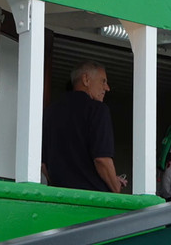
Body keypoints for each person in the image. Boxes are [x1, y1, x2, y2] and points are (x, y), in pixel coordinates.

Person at [42, 61, 126, 193]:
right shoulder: (98, 109)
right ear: (86, 80)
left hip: (59, 198)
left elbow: (43, 165)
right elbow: (102, 159)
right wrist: (115, 186)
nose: (107, 88)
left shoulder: (50, 112)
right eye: (103, 81)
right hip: (93, 201)